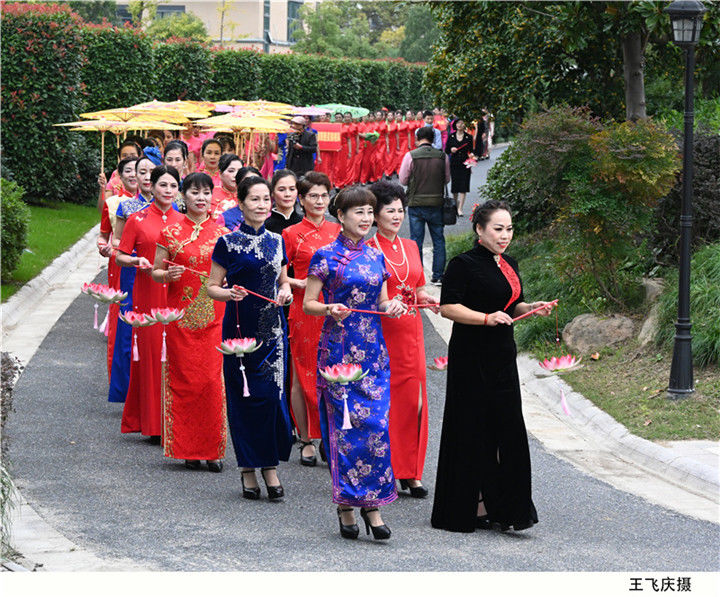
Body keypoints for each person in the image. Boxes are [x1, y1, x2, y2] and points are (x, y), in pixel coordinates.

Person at [431, 200, 554, 533]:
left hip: (502, 357)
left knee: (508, 430)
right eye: (498, 229)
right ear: (479, 230)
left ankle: (507, 507)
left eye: (509, 229)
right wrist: (485, 318)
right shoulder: (463, 263)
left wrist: (532, 306)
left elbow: (512, 306)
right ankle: (470, 505)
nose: (505, 235)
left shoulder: (508, 263)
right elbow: (448, 307)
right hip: (471, 357)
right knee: (472, 429)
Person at [303, 185, 406, 541]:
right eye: (358, 212)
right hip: (339, 352)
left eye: (368, 212)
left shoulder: (376, 256)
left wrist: (391, 307)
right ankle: (348, 504)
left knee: (375, 427)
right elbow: (308, 303)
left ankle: (373, 503)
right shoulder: (325, 256)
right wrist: (328, 308)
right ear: (341, 216)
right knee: (345, 430)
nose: (365, 218)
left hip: (373, 353)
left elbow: (381, 302)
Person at [207, 176, 294, 501]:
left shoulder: (276, 239)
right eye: (254, 200)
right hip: (240, 332)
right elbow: (211, 287)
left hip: (272, 330)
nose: (261, 205)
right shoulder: (226, 243)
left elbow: (283, 281)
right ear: (241, 204)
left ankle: (269, 466)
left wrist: (285, 293)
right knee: (244, 400)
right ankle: (247, 468)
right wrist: (229, 294)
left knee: (271, 399)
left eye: (265, 199)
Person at [152, 173, 227, 473]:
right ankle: (188, 449)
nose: (201, 198)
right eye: (195, 192)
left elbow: (228, 273)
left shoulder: (223, 234)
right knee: (184, 381)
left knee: (211, 382)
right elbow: (156, 271)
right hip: (181, 318)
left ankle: (213, 450)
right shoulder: (170, 232)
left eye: (206, 193)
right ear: (183, 196)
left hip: (213, 316)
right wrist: (165, 276)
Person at [368, 181, 439, 498]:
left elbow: (419, 286)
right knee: (386, 405)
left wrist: (428, 300)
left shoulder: (411, 246)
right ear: (375, 215)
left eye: (400, 210)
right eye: (390, 211)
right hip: (381, 333)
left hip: (411, 332)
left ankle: (412, 471)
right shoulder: (369, 249)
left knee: (415, 402)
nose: (397, 216)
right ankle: (388, 469)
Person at [116, 166, 184, 441]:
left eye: (173, 186)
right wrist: (135, 260)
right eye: (163, 185)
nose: (168, 191)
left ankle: (176, 421)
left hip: (178, 293)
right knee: (152, 355)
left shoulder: (184, 220)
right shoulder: (137, 218)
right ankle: (154, 425)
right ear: (152, 186)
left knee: (178, 356)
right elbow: (121, 255)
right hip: (148, 292)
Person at [281, 171, 340, 467]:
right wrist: (295, 283)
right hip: (304, 311)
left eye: (323, 195)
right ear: (302, 200)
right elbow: (280, 275)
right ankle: (305, 438)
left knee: (333, 375)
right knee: (303, 375)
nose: (319, 201)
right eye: (313, 196)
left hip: (335, 311)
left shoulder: (338, 231)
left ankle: (332, 437)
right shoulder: (290, 234)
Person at [399, 126, 450, 286]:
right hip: (436, 203)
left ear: (417, 139)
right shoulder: (442, 157)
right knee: (439, 240)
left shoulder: (411, 156)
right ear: (433, 139)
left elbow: (403, 180)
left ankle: (418, 276)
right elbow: (447, 179)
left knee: (416, 242)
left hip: (416, 204)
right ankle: (438, 275)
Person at [215, 166, 263, 232]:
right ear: (237, 186)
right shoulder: (225, 218)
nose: (253, 187)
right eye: (247, 183)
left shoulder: (269, 216)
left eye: (257, 182)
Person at [445, 119, 476, 218]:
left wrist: (472, 156)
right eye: (458, 123)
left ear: (465, 125)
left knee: (463, 185)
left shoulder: (469, 137)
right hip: (454, 163)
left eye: (462, 123)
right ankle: (455, 204)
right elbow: (446, 150)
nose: (459, 125)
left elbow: (471, 151)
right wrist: (451, 150)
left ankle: (460, 208)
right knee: (455, 186)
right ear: (455, 125)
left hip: (465, 163)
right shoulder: (451, 136)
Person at [265, 169, 301, 235]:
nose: (287, 194)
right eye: (281, 190)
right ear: (272, 193)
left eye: (292, 189)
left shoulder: (305, 223)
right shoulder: (265, 227)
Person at [210, 153, 242, 219]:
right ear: (220, 174)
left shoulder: (248, 195)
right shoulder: (210, 195)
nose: (235, 175)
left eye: (240, 171)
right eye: (231, 171)